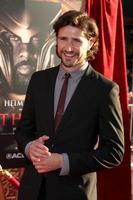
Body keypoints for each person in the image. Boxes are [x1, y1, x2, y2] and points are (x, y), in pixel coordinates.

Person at [15, 10, 124, 200]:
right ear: (56, 40)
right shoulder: (39, 80)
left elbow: (114, 152)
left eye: (77, 41)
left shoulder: (105, 89)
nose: (69, 47)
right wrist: (29, 147)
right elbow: (23, 130)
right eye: (63, 39)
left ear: (90, 43)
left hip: (75, 193)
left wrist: (63, 161)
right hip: (32, 191)